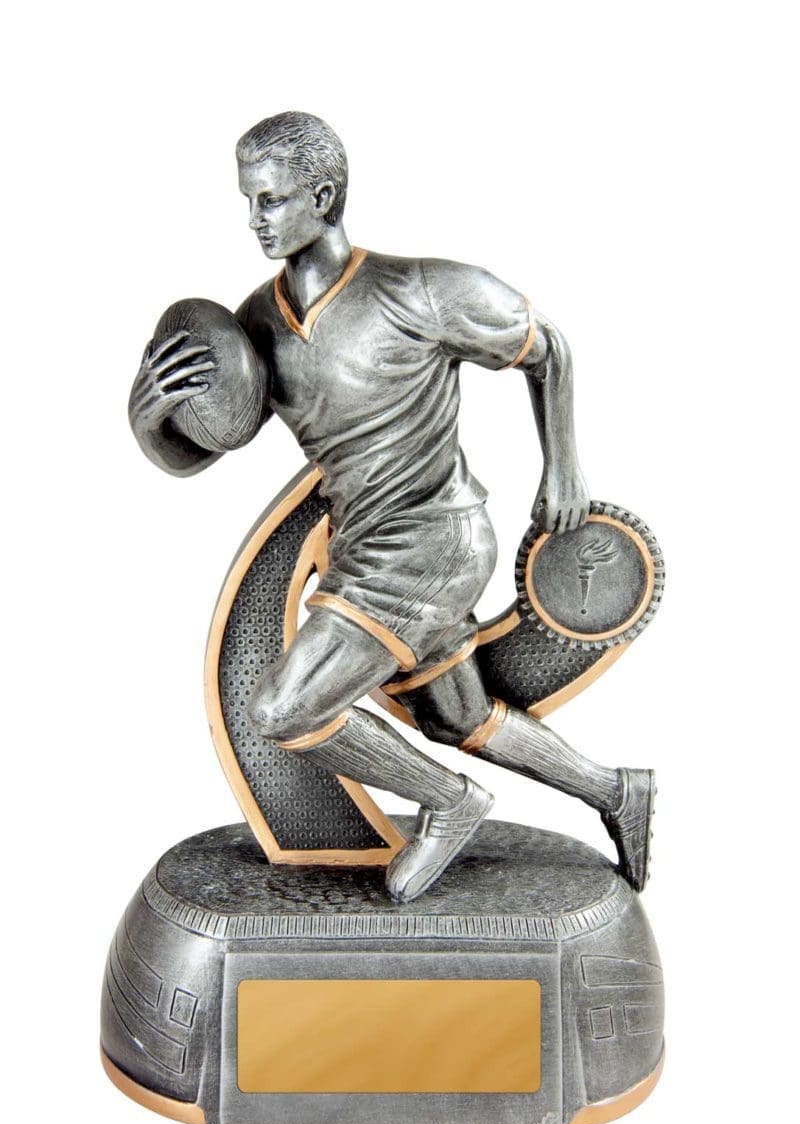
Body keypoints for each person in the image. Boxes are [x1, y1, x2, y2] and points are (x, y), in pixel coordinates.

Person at [129, 111, 654, 903]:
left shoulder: (419, 291)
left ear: (324, 197)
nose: (254, 220)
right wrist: (150, 422)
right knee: (455, 718)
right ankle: (616, 790)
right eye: (247, 201)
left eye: (271, 200)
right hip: (363, 548)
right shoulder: (259, 322)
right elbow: (203, 451)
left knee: (282, 710)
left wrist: (564, 468)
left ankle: (450, 803)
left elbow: (548, 348)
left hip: (433, 544)